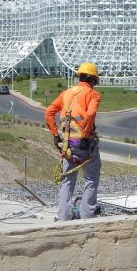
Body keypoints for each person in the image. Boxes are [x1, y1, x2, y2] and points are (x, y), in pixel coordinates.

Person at [44, 62, 102, 221]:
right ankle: (86, 216)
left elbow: (49, 113)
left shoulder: (66, 94)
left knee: (67, 181)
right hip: (84, 145)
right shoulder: (93, 95)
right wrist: (84, 137)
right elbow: (89, 115)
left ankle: (63, 217)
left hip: (67, 146)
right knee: (91, 178)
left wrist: (56, 136)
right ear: (92, 80)